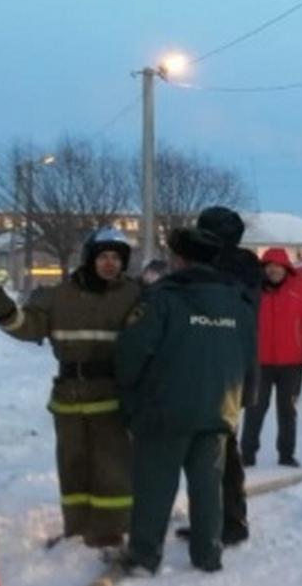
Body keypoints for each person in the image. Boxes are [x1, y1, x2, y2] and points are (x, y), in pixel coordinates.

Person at [0, 228, 140, 549]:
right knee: (72, 464)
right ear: (90, 258)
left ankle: (110, 528)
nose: (110, 263)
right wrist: (0, 306)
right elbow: (29, 326)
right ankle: (76, 526)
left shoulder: (134, 296)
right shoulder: (59, 295)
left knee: (111, 466)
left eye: (116, 258)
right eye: (104, 256)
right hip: (69, 396)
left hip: (111, 396)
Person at [113, 226, 256, 574]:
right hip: (219, 410)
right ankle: (208, 555)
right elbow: (250, 356)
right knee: (208, 486)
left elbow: (132, 352)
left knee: (155, 486)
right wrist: (242, 400)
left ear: (178, 259)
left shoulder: (162, 298)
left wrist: (129, 398)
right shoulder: (238, 302)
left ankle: (145, 556)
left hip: (165, 411)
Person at [192, 206, 261, 546]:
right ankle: (213, 518)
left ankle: (231, 521)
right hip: (225, 367)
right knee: (212, 447)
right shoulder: (240, 268)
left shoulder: (231, 272)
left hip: (223, 369)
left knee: (221, 448)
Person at [243, 248, 302, 468]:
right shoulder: (253, 293)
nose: (274, 270)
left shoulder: (300, 291)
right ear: (264, 269)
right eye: (270, 266)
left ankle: (286, 455)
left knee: (288, 411)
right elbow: (243, 323)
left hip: (291, 364)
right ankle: (247, 455)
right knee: (254, 410)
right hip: (260, 363)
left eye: (278, 266)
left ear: (286, 268)